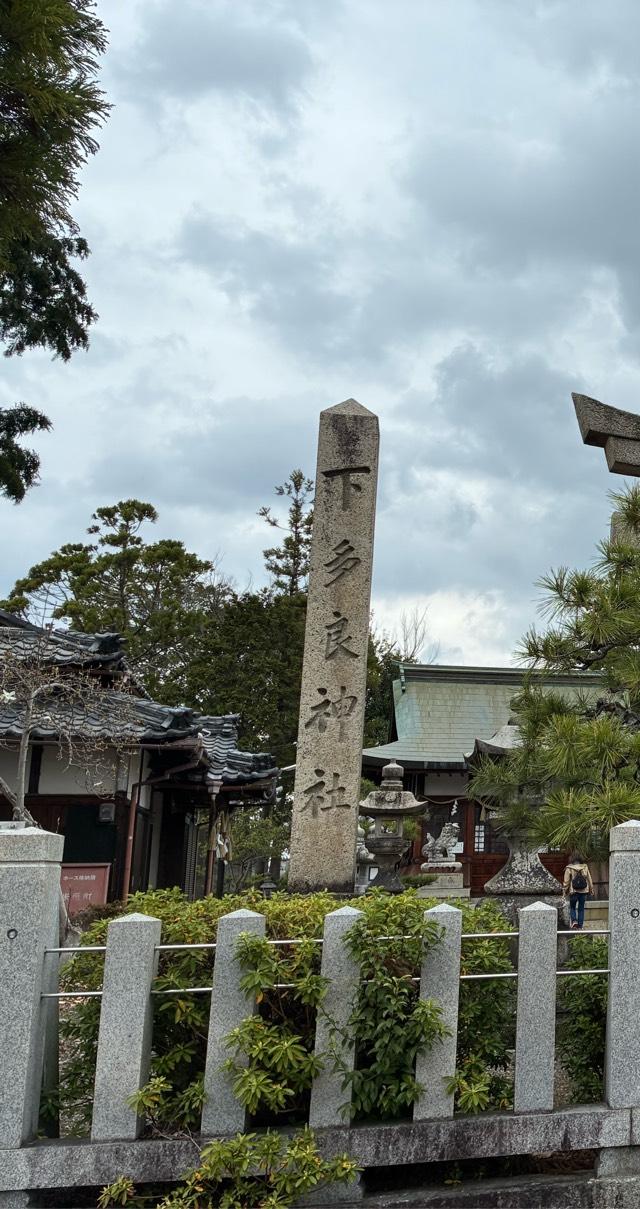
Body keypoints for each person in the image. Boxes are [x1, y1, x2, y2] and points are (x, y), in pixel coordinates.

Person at [562, 851, 594, 930]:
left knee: (572, 907)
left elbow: (566, 881)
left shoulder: (569, 868)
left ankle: (574, 921)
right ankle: (580, 926)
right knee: (581, 909)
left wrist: (564, 891)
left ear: (572, 858)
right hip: (584, 891)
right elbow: (589, 879)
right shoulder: (585, 867)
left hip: (573, 891)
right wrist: (591, 889)